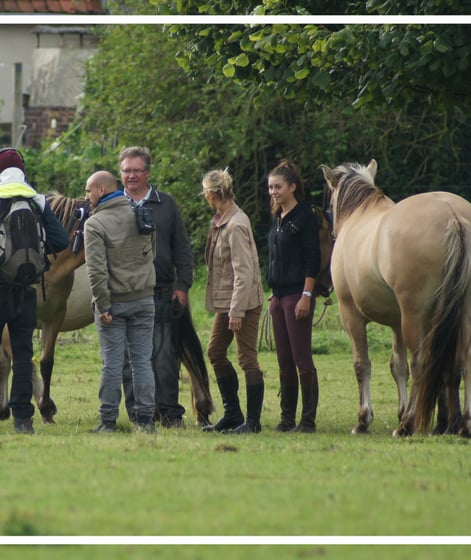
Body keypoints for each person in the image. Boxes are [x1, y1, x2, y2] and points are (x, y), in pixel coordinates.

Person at [0, 148, 69, 435]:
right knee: (24, 353)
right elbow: (60, 240)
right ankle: (23, 419)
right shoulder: (37, 201)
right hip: (27, 290)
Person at [118, 146, 194, 429]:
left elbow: (183, 251)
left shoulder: (167, 204)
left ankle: (171, 414)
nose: (132, 176)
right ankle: (139, 415)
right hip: (124, 294)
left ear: (148, 173)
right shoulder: (114, 205)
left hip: (162, 293)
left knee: (164, 358)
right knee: (129, 360)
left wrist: (183, 286)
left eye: (137, 170)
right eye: (127, 170)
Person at [84, 170, 158, 433]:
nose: (86, 196)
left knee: (112, 364)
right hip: (145, 299)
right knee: (142, 362)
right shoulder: (141, 213)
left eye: (88, 190)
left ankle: (108, 421)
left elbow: (96, 270)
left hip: (113, 304)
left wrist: (102, 305)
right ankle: (147, 420)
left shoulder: (94, 224)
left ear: (102, 190)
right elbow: (151, 254)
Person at [199, 169, 266, 434]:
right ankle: (233, 413)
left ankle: (252, 423)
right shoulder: (221, 220)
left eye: (205, 192)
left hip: (244, 302)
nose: (204, 196)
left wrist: (237, 312)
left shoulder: (236, 225)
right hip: (229, 302)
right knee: (215, 351)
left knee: (246, 358)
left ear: (212, 194)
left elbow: (244, 271)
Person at [266, 160, 322, 433]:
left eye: (277, 187)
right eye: (270, 187)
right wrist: (272, 293)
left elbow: (313, 258)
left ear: (292, 187)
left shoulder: (304, 216)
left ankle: (307, 420)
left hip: (296, 296)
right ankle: (286, 418)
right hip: (277, 298)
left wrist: (306, 295)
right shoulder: (277, 217)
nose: (273, 192)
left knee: (302, 358)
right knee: (283, 360)